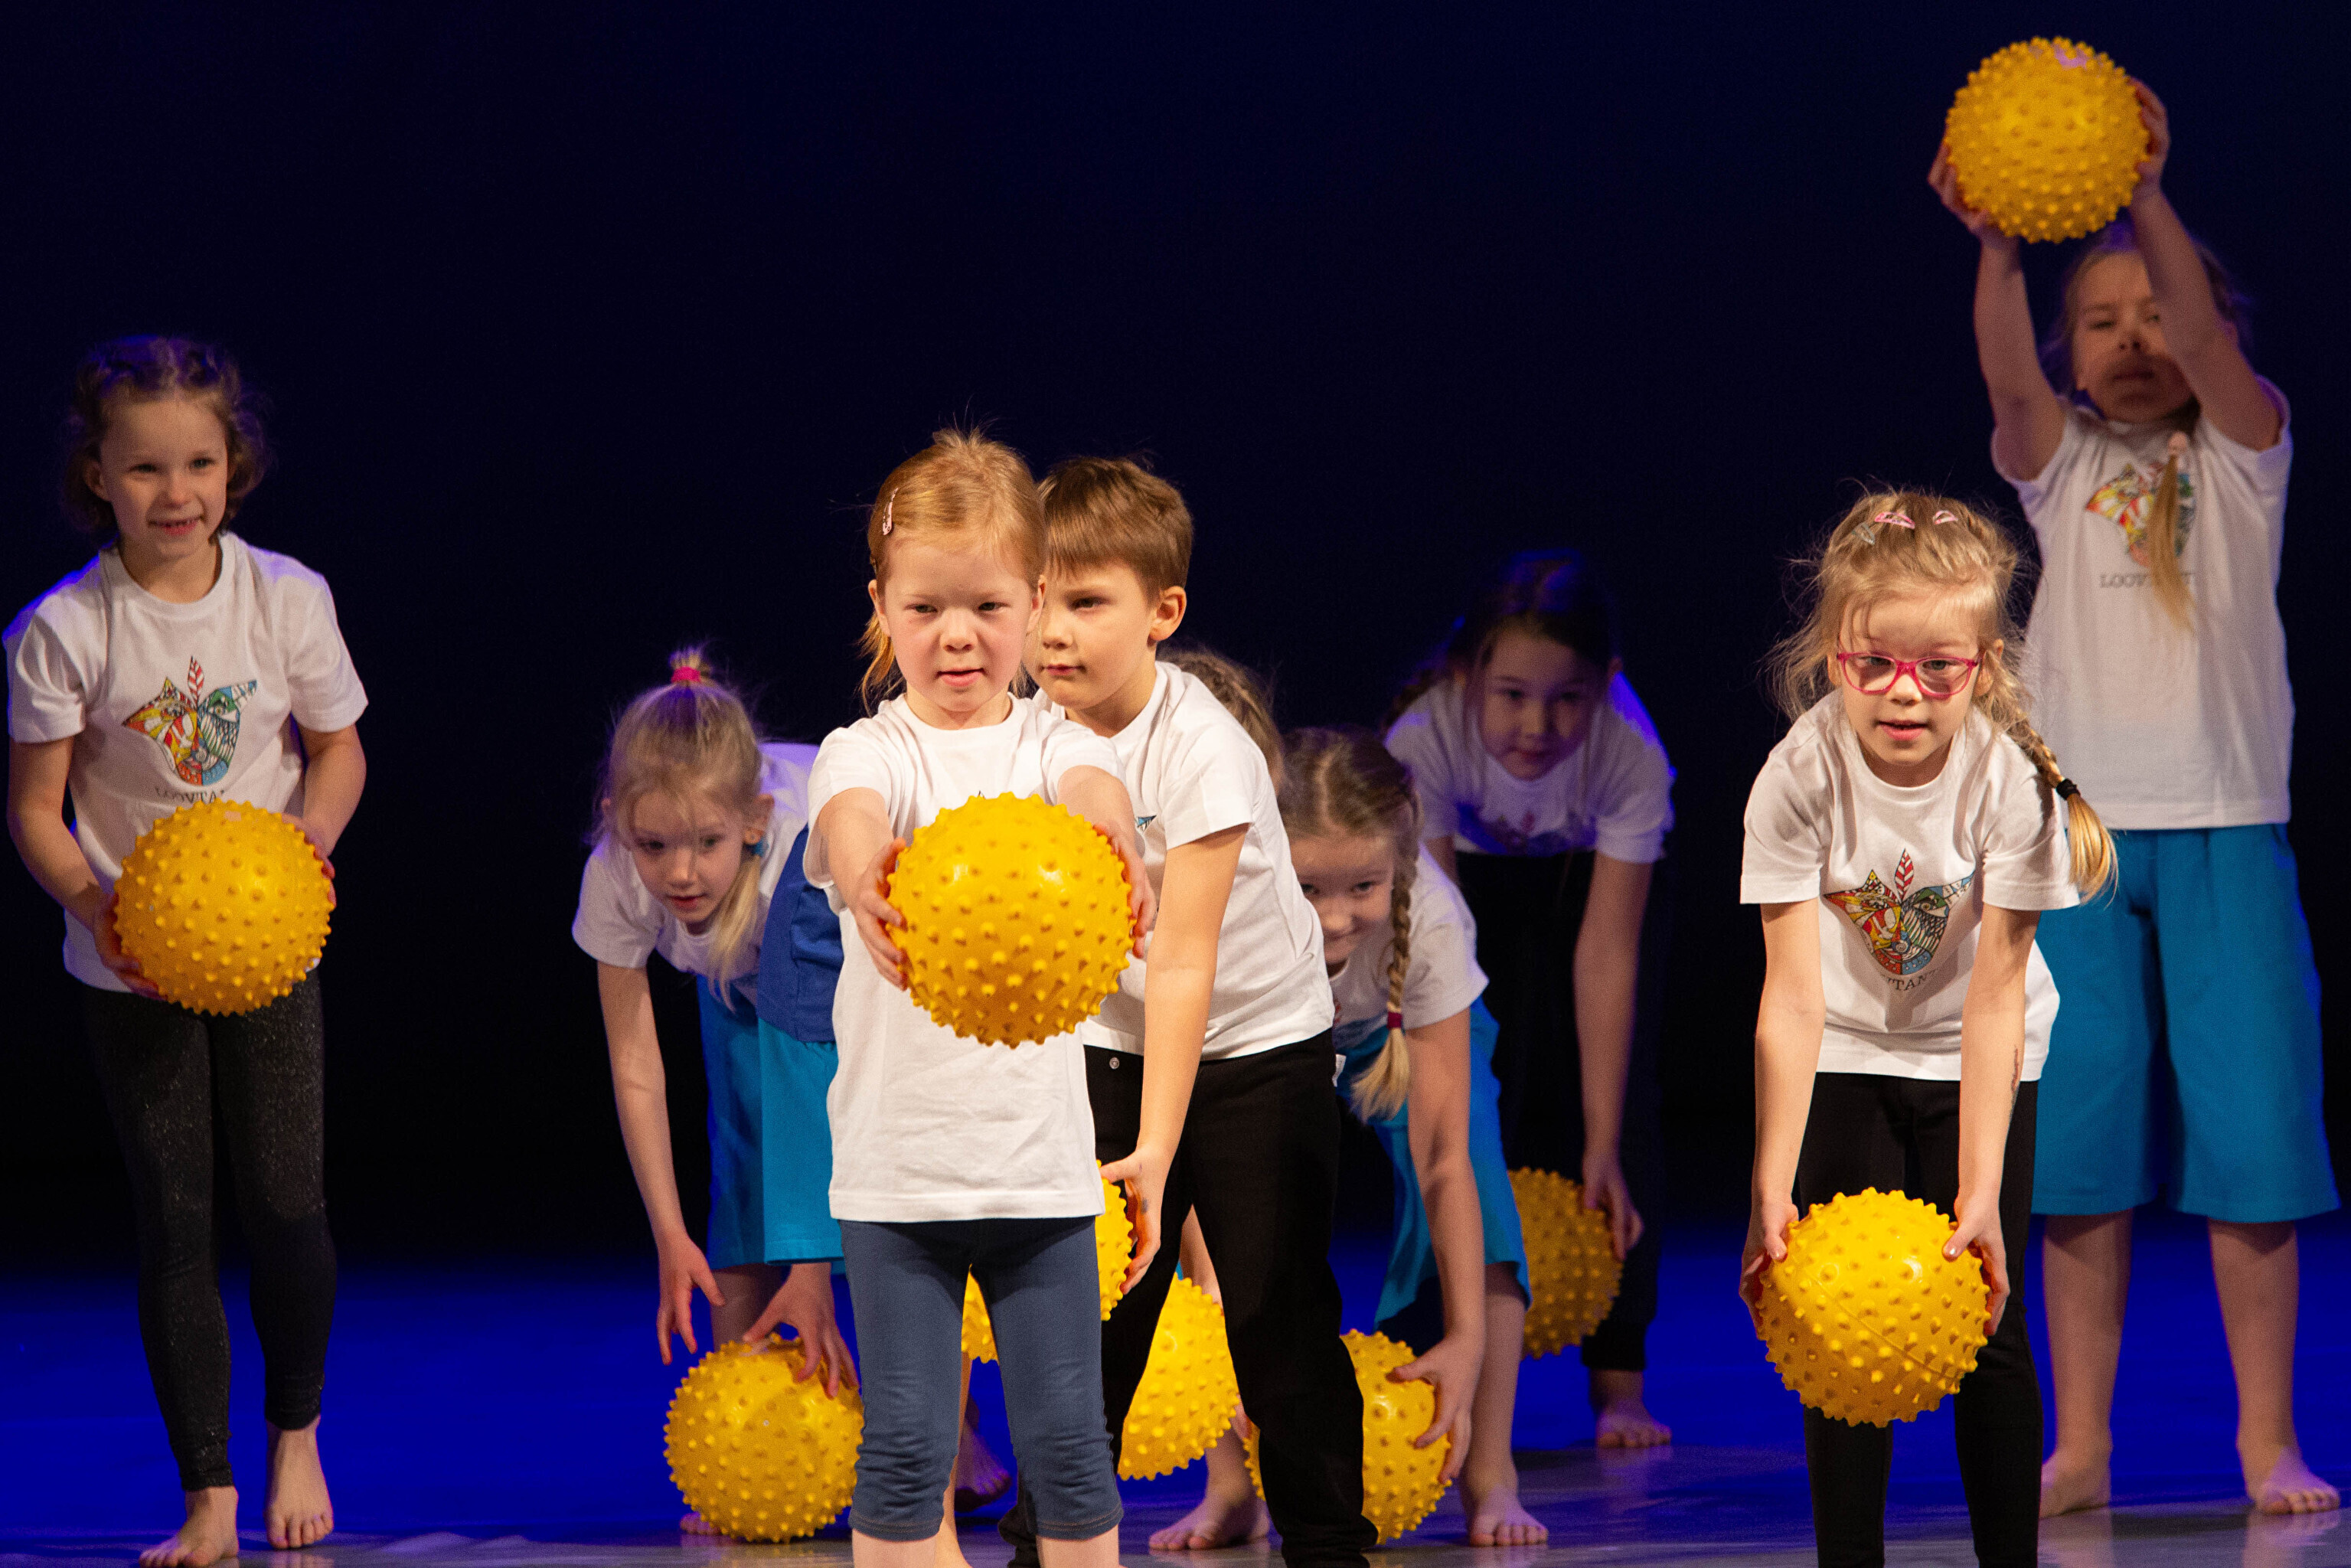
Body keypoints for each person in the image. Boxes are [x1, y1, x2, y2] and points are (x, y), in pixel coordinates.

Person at [1932, 79, 2339, 1517]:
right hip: (2080, 848)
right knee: (2079, 1156)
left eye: (2155, 313)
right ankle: (2081, 1444)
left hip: (2226, 835)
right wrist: (1997, 246)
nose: (2133, 337)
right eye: (2100, 321)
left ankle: (2264, 1438)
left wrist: (2146, 197)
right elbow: (2009, 389)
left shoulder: (2244, 453)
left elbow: (2211, 349)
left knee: (2254, 1147)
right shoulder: (2063, 467)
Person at [5, 337, 366, 1563]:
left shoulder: (285, 597)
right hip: (133, 963)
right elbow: (35, 808)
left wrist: (308, 845)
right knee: (177, 1219)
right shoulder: (65, 627)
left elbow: (338, 748)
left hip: (266, 950)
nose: (177, 493)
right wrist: (95, 904)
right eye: (146, 467)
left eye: (199, 464)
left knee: (288, 1203)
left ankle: (295, 1433)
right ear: (97, 474)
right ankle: (207, 1491)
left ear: (233, 465)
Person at [1011, 458, 1376, 1568]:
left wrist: (1157, 1150)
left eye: (1087, 601)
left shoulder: (1201, 747)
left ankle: (1328, 1544)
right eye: (1037, 599)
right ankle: (1048, 1543)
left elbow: (1183, 963)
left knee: (1275, 1313)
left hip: (1254, 1047)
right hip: (1107, 1044)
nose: (1052, 631)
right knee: (1089, 1321)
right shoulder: (1023, 733)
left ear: (1162, 612)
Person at [803, 429, 1158, 1568]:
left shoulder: (1054, 743)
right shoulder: (867, 750)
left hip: (1036, 1173)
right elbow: (849, 814)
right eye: (924, 608)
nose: (956, 634)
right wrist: (866, 867)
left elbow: (1090, 783)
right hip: (899, 1176)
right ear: (881, 607)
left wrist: (1112, 830)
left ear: (1035, 601)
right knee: (907, 1446)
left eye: (987, 606)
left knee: (1069, 1449)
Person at [1740, 490, 2112, 1568]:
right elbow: (1790, 998)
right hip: (1846, 1050)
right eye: (1874, 664)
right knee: (1837, 1322)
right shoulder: (1796, 775)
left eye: (1937, 668)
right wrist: (1769, 1183)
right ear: (1833, 657)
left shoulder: (2010, 787)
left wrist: (1980, 1191)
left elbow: (1993, 999)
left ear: (1981, 668)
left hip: (1977, 1057)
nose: (1903, 692)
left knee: (1986, 1319)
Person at [1385, 550, 1673, 1446]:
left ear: (1605, 682)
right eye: (1510, 694)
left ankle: (1618, 1381)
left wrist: (1599, 1142)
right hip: (1464, 896)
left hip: (1580, 892)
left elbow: (1606, 954)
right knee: (1447, 1120)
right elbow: (1438, 945)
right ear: (1464, 674)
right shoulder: (1422, 740)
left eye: (1566, 699)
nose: (1536, 724)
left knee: (1619, 1122)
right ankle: (1434, 1358)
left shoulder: (1629, 755)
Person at [572, 648, 856, 1535]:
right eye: (654, 845)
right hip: (738, 979)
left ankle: (946, 1435)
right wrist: (668, 1233)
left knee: (886, 1203)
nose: (681, 873)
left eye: (706, 843)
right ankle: (744, 1449)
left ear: (754, 821)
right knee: (742, 1181)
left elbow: (810, 1062)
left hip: (869, 983)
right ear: (617, 822)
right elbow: (635, 1063)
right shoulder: (616, 874)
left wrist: (812, 1269)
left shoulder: (803, 844)